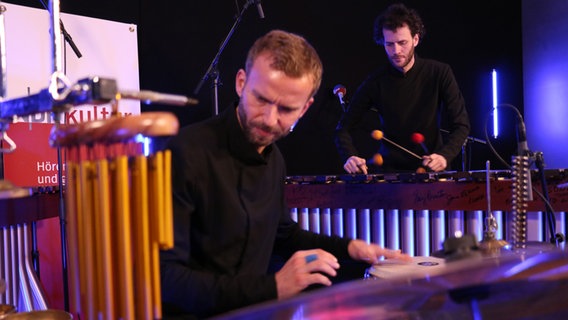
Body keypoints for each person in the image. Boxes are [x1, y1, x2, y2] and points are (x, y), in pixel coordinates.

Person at [159, 29, 410, 319]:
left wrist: (351, 247)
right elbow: (166, 279)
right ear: (241, 83)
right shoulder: (185, 152)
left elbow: (282, 235)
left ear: (305, 108)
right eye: (261, 100)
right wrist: (273, 287)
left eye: (286, 109)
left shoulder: (274, 159)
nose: (269, 119)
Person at [335, 3, 470, 174]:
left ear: (416, 39)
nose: (396, 51)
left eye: (402, 43)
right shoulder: (376, 81)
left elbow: (461, 125)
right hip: (391, 174)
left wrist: (444, 156)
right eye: (389, 44)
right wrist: (350, 156)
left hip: (432, 170)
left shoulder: (439, 72)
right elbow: (343, 129)